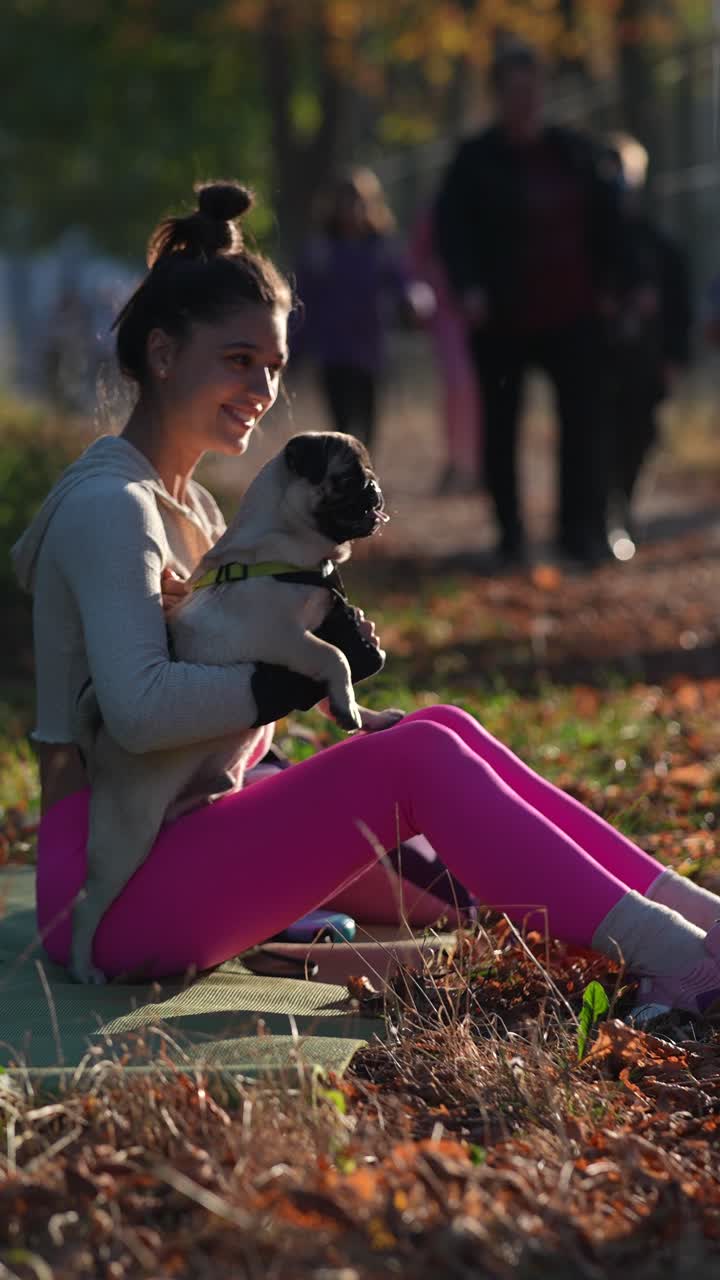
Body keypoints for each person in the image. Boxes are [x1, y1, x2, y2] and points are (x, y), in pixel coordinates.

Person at [13, 179, 720, 1025]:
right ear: (162, 355)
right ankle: (682, 963)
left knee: (439, 727)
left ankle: (704, 929)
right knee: (415, 762)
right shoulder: (110, 508)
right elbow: (134, 713)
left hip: (186, 826)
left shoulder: (190, 508)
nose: (263, 388)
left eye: (273, 366)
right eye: (238, 360)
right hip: (109, 886)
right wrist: (293, 679)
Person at [434, 43, 624, 566]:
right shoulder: (474, 161)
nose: (526, 100)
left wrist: (614, 285)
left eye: (533, 89)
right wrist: (468, 287)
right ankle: (511, 535)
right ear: (497, 95)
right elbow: (452, 232)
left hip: (576, 315)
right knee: (501, 428)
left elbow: (611, 222)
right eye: (514, 90)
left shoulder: (577, 152)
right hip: (502, 321)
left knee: (584, 427)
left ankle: (581, 533)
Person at [602, 134, 692, 556]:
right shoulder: (587, 244)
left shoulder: (660, 246)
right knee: (602, 440)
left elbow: (679, 307)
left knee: (639, 437)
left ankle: (626, 505)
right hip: (602, 363)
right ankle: (603, 517)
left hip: (645, 364)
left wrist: (674, 356)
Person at [293, 167, 423, 453]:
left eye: (357, 202)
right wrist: (295, 345)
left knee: (368, 421)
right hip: (333, 350)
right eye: (344, 203)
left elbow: (402, 283)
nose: (351, 210)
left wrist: (414, 301)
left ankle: (364, 478)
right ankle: (342, 481)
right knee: (340, 423)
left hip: (371, 349)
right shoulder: (320, 249)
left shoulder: (381, 247)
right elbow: (303, 300)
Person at [408, 205, 482, 494]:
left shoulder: (493, 203)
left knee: (481, 391)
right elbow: (415, 259)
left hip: (490, 314)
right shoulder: (439, 212)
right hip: (450, 311)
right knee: (458, 387)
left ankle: (478, 463)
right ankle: (458, 461)